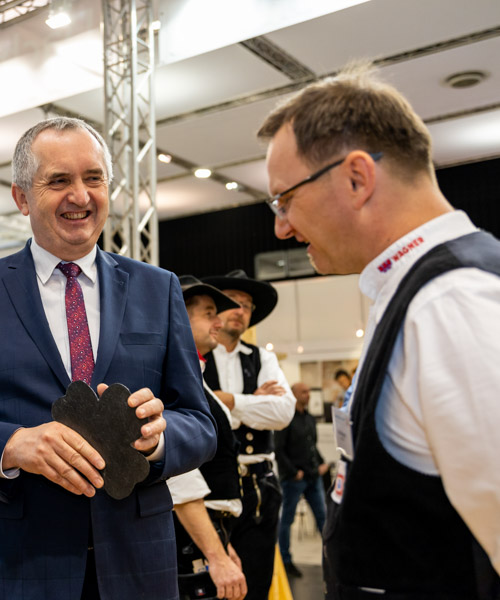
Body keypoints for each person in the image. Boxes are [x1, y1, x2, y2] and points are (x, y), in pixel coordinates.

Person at [0, 117, 218, 600]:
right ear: (21, 197)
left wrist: (158, 439)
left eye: (94, 178)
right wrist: (14, 445)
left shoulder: (158, 289)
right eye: (58, 180)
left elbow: (200, 424)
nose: (81, 195)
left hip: (138, 567)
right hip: (16, 567)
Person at [257, 64, 500, 597]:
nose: (281, 226)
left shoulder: (452, 302)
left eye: (285, 199)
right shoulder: (421, 292)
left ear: (356, 179)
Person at [198, 269, 295, 600]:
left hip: (260, 488)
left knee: (255, 584)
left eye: (248, 305)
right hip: (209, 487)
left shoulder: (262, 357)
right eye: (233, 301)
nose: (241, 310)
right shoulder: (195, 355)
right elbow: (198, 416)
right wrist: (253, 402)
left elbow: (283, 413)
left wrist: (228, 401)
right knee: (210, 587)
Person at [166, 276, 247, 600]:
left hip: (207, 531)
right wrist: (216, 554)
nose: (219, 322)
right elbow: (179, 476)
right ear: (178, 317)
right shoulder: (168, 379)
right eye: (209, 313)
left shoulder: (193, 378)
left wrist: (221, 544)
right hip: (187, 539)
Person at [274, 382, 328, 578]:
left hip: (313, 476)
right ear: (294, 394)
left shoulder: (309, 419)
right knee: (287, 520)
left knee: (323, 518)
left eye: (309, 391)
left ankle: (331, 558)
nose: (308, 394)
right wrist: (293, 471)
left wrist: (321, 462)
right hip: (294, 479)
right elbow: (278, 449)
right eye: (304, 392)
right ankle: (286, 560)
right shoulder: (286, 419)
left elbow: (312, 445)